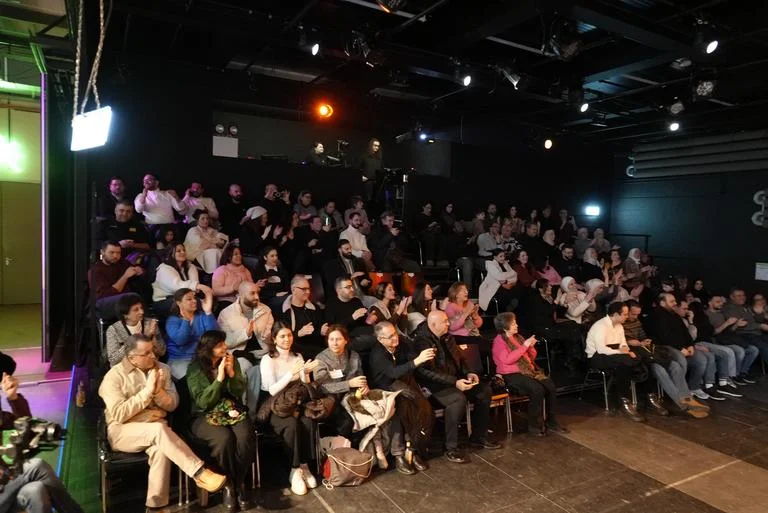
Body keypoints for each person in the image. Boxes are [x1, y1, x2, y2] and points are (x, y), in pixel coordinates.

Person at [98, 335, 226, 512]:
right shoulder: (114, 377)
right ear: (131, 357)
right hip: (123, 431)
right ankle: (199, 472)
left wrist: (158, 392)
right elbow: (119, 414)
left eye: (154, 351)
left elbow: (173, 404)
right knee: (158, 430)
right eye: (147, 353)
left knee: (161, 449)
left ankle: (155, 507)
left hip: (156, 431)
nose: (153, 356)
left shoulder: (163, 369)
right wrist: (147, 392)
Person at [412, 311, 501, 463]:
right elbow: (425, 372)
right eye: (445, 321)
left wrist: (469, 372)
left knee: (484, 391)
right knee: (457, 400)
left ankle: (478, 437)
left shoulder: (448, 337)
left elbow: (460, 358)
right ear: (433, 325)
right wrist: (454, 382)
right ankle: (450, 447)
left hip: (455, 379)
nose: (449, 324)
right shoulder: (422, 342)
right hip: (436, 384)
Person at [186, 330, 254, 511]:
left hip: (230, 409)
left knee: (245, 436)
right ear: (208, 349)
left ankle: (238, 483)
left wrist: (232, 374)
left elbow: (238, 392)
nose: (225, 347)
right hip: (204, 413)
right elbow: (202, 401)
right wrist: (219, 379)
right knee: (223, 439)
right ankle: (229, 485)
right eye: (219, 345)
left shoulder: (232, 360)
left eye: (224, 343)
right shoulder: (195, 368)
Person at [0, 371, 85, 513]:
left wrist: (13, 398)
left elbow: (25, 425)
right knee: (37, 466)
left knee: (36, 491)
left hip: (5, 485)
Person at [258, 323, 320, 496]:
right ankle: (295, 470)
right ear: (274, 339)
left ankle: (304, 465)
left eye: (289, 335)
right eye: (282, 336)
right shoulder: (268, 359)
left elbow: (304, 385)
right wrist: (290, 374)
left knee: (307, 421)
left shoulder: (297, 356)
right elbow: (271, 390)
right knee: (292, 425)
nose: (287, 339)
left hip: (296, 401)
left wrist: (305, 373)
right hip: (276, 406)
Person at [368, 321, 434, 475]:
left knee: (422, 406)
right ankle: (398, 453)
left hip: (403, 383)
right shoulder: (377, 353)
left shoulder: (401, 344)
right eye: (390, 337)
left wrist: (423, 357)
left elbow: (411, 359)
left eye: (395, 334)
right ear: (380, 339)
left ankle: (413, 449)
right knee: (400, 408)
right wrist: (416, 361)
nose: (395, 338)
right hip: (384, 388)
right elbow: (392, 373)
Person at [622, 300, 706, 418]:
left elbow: (643, 336)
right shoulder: (620, 324)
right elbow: (619, 343)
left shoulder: (636, 321)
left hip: (649, 352)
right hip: (639, 357)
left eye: (637, 314)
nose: (635, 317)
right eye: (633, 314)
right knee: (659, 369)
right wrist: (631, 343)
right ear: (626, 311)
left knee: (675, 365)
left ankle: (687, 398)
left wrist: (645, 340)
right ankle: (682, 404)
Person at [492, 313, 568, 435]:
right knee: (537, 389)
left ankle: (551, 421)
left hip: (527, 370)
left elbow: (530, 357)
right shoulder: (499, 341)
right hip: (511, 374)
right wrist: (524, 346)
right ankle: (534, 426)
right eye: (513, 324)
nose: (516, 325)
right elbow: (507, 360)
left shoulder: (518, 337)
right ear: (505, 327)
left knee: (551, 387)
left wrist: (530, 347)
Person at [585, 302, 655, 422]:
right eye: (625, 314)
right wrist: (623, 352)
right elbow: (601, 349)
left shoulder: (619, 326)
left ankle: (650, 394)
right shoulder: (600, 326)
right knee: (625, 361)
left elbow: (623, 344)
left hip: (615, 353)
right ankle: (624, 400)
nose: (626, 317)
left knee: (644, 358)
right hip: (598, 356)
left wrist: (626, 351)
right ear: (616, 314)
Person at [645, 293, 722, 401]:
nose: (675, 303)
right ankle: (680, 394)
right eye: (671, 301)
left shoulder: (675, 315)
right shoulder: (657, 315)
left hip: (684, 347)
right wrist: (680, 348)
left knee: (701, 360)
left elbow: (686, 333)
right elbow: (664, 336)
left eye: (674, 301)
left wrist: (690, 345)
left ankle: (693, 387)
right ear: (662, 303)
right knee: (681, 361)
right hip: (667, 348)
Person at [216, 281, 273, 419]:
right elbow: (225, 342)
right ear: (240, 295)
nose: (257, 296)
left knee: (271, 369)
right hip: (240, 354)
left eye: (257, 292)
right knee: (245, 369)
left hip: (263, 353)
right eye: (252, 293)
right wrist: (245, 333)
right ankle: (246, 411)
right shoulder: (226, 314)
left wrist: (267, 338)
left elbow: (271, 337)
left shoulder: (266, 310)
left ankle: (270, 411)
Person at [165, 287, 218, 379]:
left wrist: (208, 312)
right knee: (195, 379)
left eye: (194, 298)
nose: (194, 301)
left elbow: (214, 336)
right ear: (179, 303)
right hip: (180, 359)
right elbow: (181, 340)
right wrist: (186, 320)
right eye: (189, 299)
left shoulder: (201, 316)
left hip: (202, 358)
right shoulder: (172, 320)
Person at [89, 240, 148, 318]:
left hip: (124, 299)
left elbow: (137, 272)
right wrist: (125, 276)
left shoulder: (123, 263)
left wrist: (140, 271)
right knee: (132, 298)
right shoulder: (96, 270)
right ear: (102, 252)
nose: (115, 256)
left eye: (118, 253)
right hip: (102, 302)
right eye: (112, 252)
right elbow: (105, 294)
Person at [105, 294, 166, 367]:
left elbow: (162, 352)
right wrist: (146, 336)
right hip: (126, 368)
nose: (142, 312)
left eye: (141, 308)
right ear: (125, 315)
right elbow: (113, 359)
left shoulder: (150, 324)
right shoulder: (114, 330)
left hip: (149, 364)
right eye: (136, 310)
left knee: (166, 368)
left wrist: (153, 336)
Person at [279, 276, 329, 359]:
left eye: (309, 289)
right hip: (296, 349)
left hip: (316, 346)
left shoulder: (314, 307)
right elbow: (281, 337)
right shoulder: (284, 310)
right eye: (304, 289)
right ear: (293, 289)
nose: (308, 292)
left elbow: (320, 328)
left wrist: (322, 330)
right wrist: (299, 333)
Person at [324, 277, 377, 353]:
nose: (352, 289)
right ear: (338, 290)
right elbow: (332, 328)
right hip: (345, 336)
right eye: (348, 287)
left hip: (360, 331)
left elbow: (363, 321)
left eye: (352, 286)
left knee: (382, 331)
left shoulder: (356, 301)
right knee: (375, 338)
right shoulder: (331, 304)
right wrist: (352, 317)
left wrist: (368, 319)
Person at [152, 243, 205, 316]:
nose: (182, 252)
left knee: (198, 302)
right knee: (190, 304)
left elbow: (195, 287)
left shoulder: (190, 266)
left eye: (184, 250)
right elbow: (177, 287)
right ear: (170, 253)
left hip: (185, 297)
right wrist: (199, 286)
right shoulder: (164, 268)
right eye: (178, 251)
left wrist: (196, 287)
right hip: (164, 300)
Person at [96, 200, 152, 265]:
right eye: (121, 210)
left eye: (128, 211)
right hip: (109, 258)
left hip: (133, 259)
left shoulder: (138, 226)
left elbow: (148, 246)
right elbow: (97, 244)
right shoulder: (105, 224)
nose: (125, 214)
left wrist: (132, 245)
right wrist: (118, 244)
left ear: (132, 213)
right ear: (115, 211)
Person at [478, 249, 518, 313]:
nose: (503, 258)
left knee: (519, 291)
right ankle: (505, 313)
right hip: (493, 288)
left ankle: (508, 312)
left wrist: (507, 282)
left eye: (504, 256)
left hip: (505, 286)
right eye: (501, 256)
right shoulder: (490, 264)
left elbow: (515, 275)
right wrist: (508, 277)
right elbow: (499, 276)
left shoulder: (505, 263)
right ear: (495, 257)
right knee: (510, 295)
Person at [254, 246, 290, 312]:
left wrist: (284, 293)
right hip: (267, 300)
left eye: (276, 255)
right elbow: (260, 291)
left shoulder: (282, 271)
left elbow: (287, 286)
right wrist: (275, 294)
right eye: (272, 256)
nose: (275, 258)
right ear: (265, 257)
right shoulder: (259, 271)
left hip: (283, 297)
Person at [359, 138, 383, 202]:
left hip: (376, 184)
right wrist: (361, 176)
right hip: (367, 183)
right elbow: (358, 168)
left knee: (375, 201)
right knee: (367, 200)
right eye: (375, 145)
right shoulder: (364, 156)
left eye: (378, 146)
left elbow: (381, 171)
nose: (376, 147)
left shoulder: (379, 158)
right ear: (371, 145)